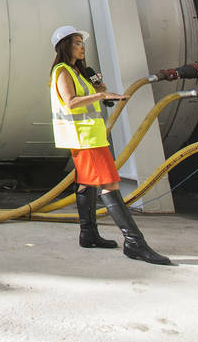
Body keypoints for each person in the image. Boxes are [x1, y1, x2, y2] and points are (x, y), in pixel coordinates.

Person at [49, 25, 171, 265]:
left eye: (82, 43)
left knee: (86, 184)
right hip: (86, 138)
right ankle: (134, 243)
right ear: (64, 46)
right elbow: (70, 103)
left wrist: (102, 90)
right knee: (110, 184)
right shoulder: (62, 71)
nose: (82, 46)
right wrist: (101, 96)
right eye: (76, 42)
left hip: (89, 136)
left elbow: (91, 99)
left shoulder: (78, 71)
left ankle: (89, 234)